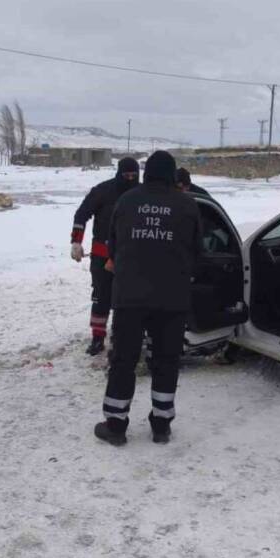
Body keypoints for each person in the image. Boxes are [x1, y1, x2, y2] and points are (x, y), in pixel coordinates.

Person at [95, 150, 201, 446]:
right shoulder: (187, 204)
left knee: (123, 360)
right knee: (166, 361)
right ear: (171, 174)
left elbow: (112, 247)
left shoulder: (126, 201)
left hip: (130, 298)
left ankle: (115, 425)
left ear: (146, 173)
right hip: (172, 299)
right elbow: (198, 250)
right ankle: (161, 425)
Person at [71, 156, 140, 355]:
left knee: (127, 300)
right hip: (102, 255)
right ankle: (97, 338)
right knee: (101, 297)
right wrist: (76, 241)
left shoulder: (142, 193)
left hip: (132, 257)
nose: (129, 178)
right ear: (118, 173)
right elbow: (81, 215)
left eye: (133, 175)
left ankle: (123, 337)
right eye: (125, 175)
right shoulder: (102, 191)